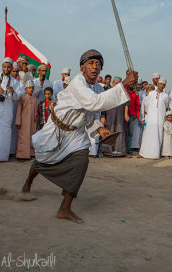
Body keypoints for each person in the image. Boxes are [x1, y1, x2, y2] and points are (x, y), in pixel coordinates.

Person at [22, 49, 137, 223]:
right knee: (42, 159)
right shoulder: (78, 83)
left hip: (76, 133)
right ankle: (28, 183)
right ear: (82, 67)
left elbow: (90, 114)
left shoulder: (97, 87)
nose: (94, 67)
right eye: (90, 64)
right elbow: (94, 102)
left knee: (82, 162)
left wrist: (99, 129)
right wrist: (123, 85)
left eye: (98, 64)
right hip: (57, 128)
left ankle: (65, 208)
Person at [139, 78, 170, 159]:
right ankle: (144, 153)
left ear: (165, 86)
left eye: (163, 84)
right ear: (158, 84)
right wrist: (143, 117)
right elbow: (145, 105)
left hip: (160, 118)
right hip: (150, 118)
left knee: (158, 135)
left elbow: (166, 107)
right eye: (160, 84)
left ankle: (155, 154)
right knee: (147, 134)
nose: (162, 85)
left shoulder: (166, 96)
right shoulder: (151, 93)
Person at [100, 76, 129, 156]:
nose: (116, 84)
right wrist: (103, 116)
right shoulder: (108, 91)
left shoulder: (123, 92)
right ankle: (107, 150)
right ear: (112, 83)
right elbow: (103, 104)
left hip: (120, 115)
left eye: (118, 83)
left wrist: (126, 114)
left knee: (120, 130)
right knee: (110, 130)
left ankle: (120, 151)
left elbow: (127, 104)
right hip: (109, 115)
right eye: (115, 82)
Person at [15, 80, 37, 161]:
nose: (31, 89)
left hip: (32, 122)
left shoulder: (34, 99)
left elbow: (35, 112)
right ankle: (21, 155)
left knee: (31, 137)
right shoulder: (22, 98)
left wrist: (35, 120)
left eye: (32, 88)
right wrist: (18, 121)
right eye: (29, 88)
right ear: (25, 89)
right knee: (23, 137)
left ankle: (30, 154)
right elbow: (19, 110)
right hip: (23, 122)